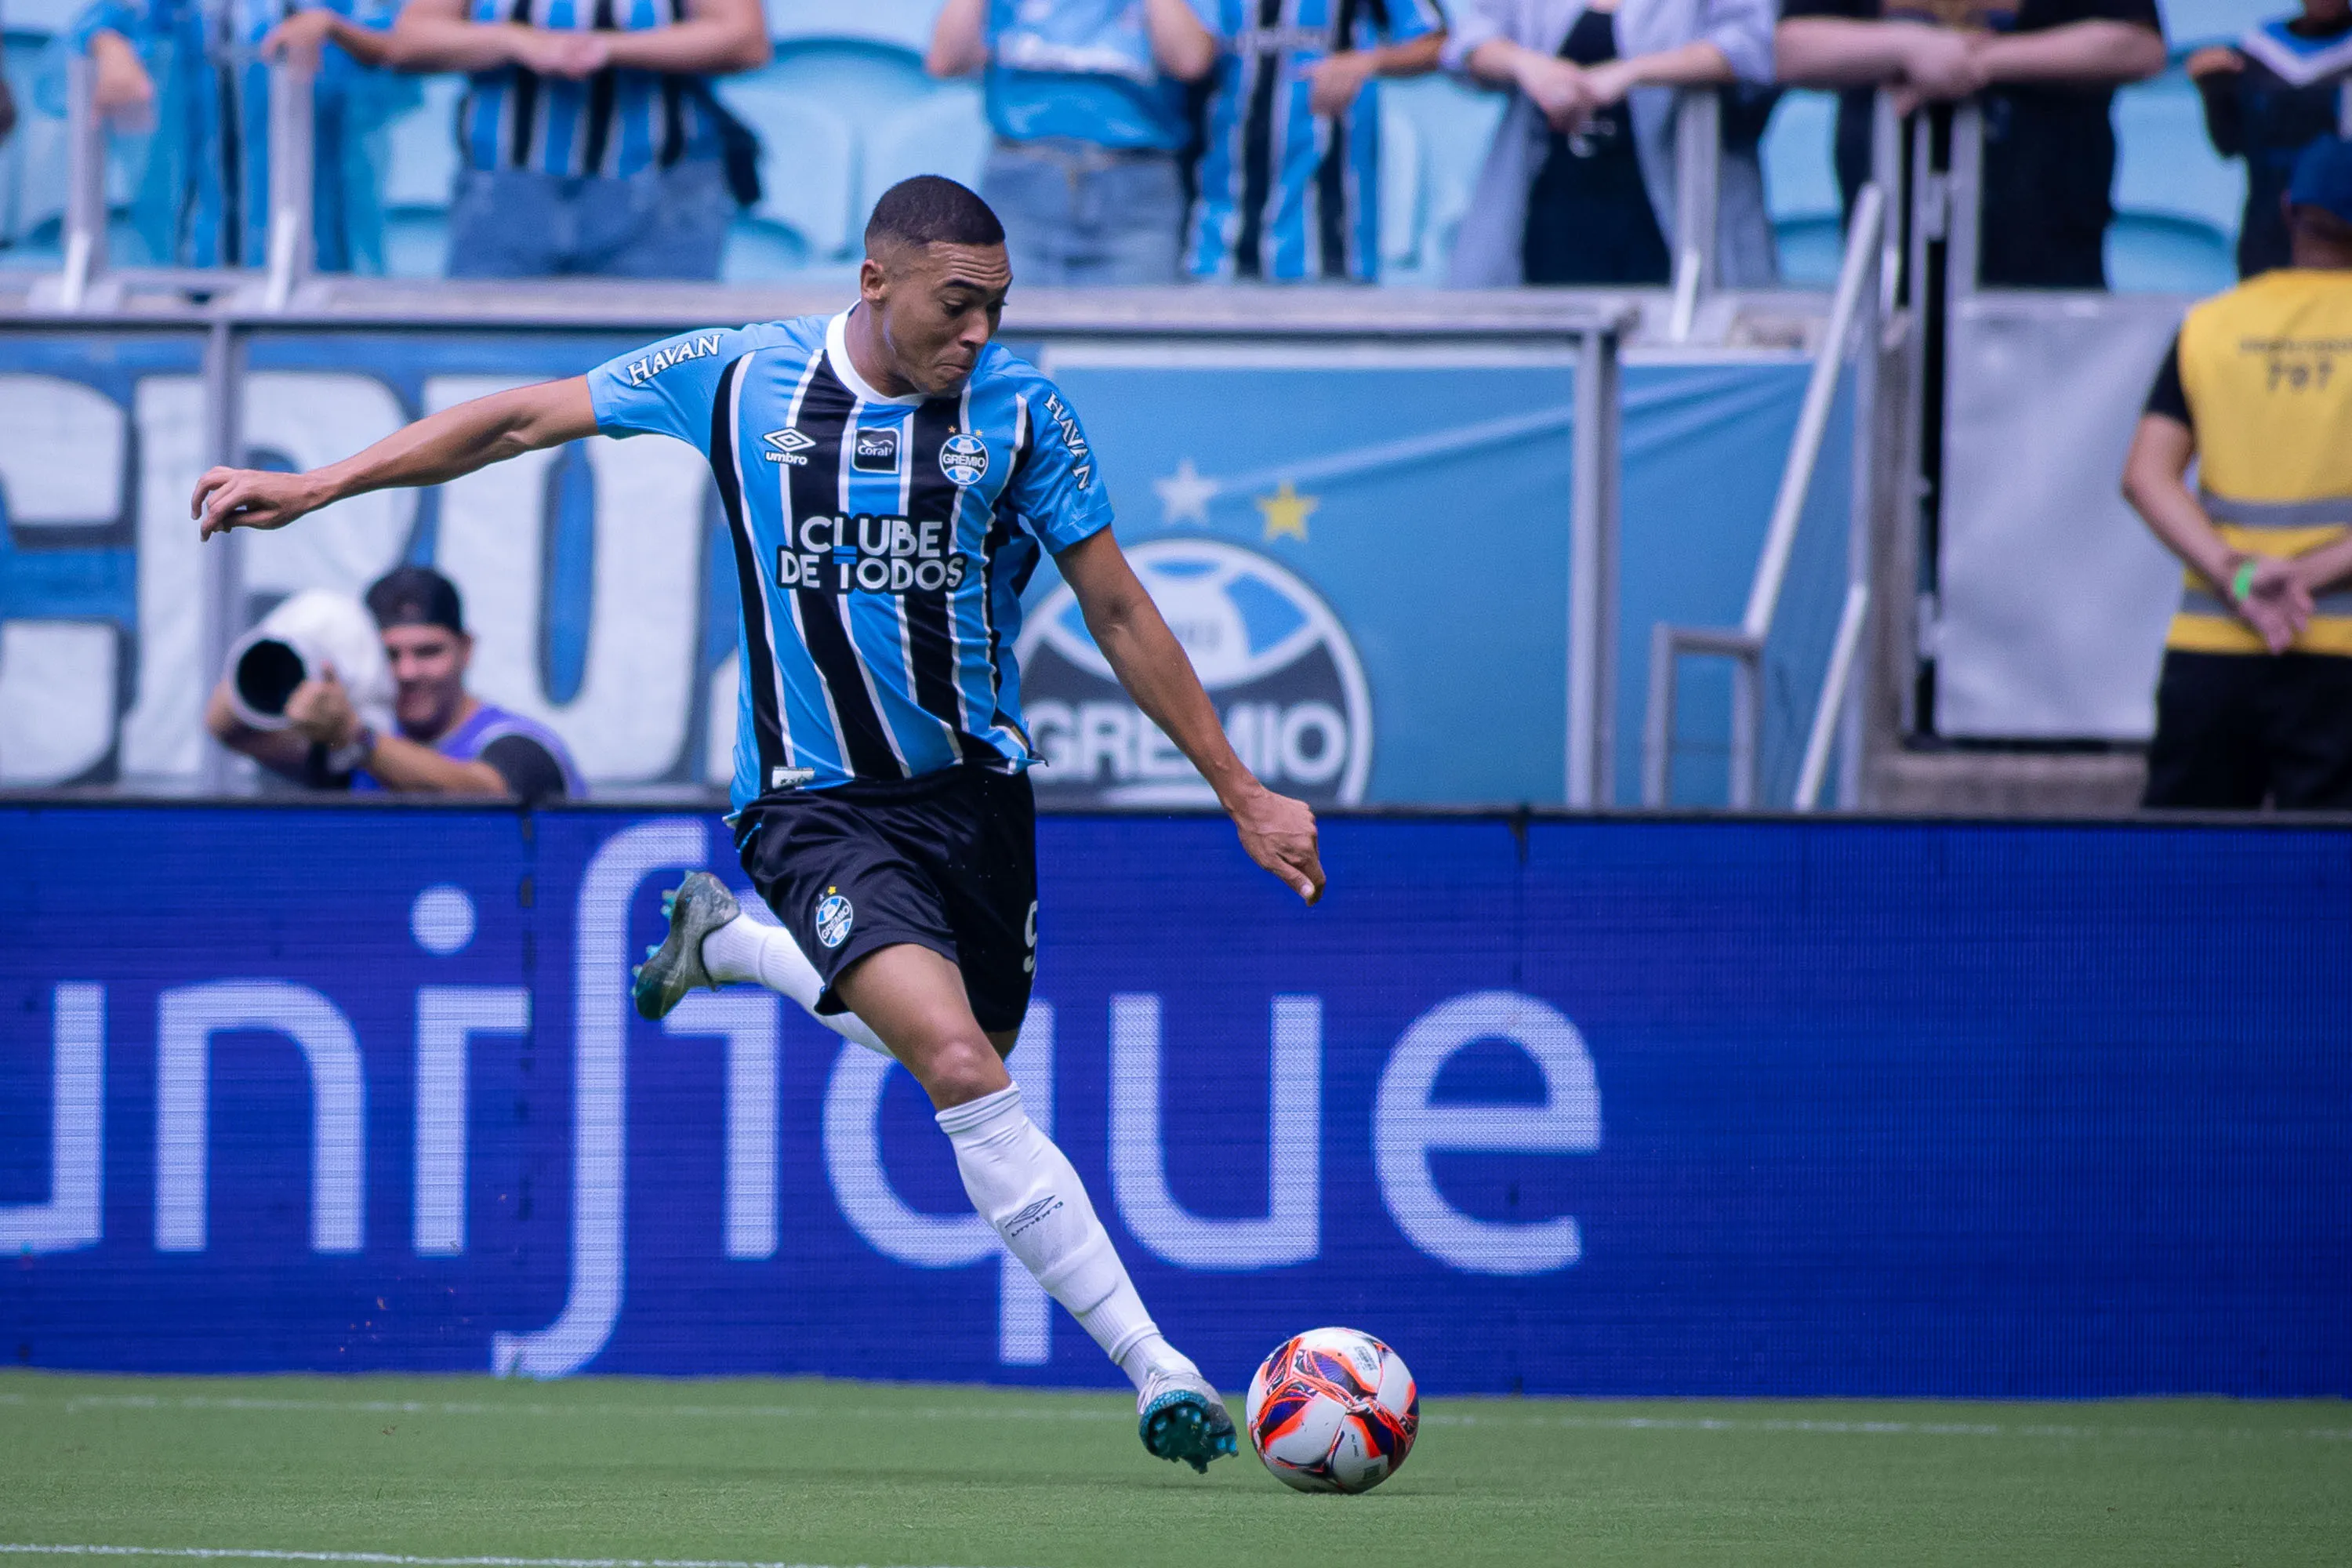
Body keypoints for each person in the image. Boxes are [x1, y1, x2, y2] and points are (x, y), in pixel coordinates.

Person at [186, 176, 1326, 1470]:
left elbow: (1119, 612)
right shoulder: (740, 377)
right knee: (962, 1066)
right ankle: (1157, 1368)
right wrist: (321, 484)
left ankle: (728, 947)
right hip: (811, 803)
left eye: (999, 310)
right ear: (874, 281)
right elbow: (516, 421)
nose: (981, 337)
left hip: (976, 798)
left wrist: (1239, 784)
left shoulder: (1023, 416)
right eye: (959, 307)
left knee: (970, 1042)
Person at [2120, 137, 2352, 810]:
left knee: (2187, 889)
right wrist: (2305, 577)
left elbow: (2145, 476)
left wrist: (2239, 574)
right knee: (2331, 892)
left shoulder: (2212, 326)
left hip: (2216, 644)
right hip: (2339, 653)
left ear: (2287, 212)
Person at [1774, 0, 2166, 290]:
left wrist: (1981, 62)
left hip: (2044, 246)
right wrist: (1910, 47)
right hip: (1889, 252)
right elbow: (1789, 47)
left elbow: (2137, 43)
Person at [390, 0, 768, 280]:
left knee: (652, 363)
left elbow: (745, 41)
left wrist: (606, 49)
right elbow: (409, 41)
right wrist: (516, 41)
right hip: (504, 190)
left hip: (659, 189)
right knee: (492, 363)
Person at [1444, 0, 1780, 289]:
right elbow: (1467, 42)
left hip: (1675, 209)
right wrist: (1528, 66)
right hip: (1556, 208)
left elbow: (1753, 46)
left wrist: (1631, 73)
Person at [68, 0, 412, 270]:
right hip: (205, 239)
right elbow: (106, 21)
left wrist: (334, 28)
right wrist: (110, 48)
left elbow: (400, 45)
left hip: (321, 239)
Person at [204, 564, 582, 802]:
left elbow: (486, 800)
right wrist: (285, 638)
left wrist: (355, 737)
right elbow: (228, 727)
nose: (408, 673)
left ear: (466, 649)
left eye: (429, 652)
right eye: (390, 655)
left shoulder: (521, 747)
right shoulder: (350, 749)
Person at [927, 0, 1218, 285]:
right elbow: (947, 59)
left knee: (1138, 326)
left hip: (1136, 189)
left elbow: (1190, 60)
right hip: (1021, 185)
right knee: (1000, 327)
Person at [1183, 0, 1446, 284]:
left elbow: (1438, 42)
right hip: (1219, 244)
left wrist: (1368, 62)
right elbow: (1186, 59)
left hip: (1333, 247)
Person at [2187, 0, 2352, 279]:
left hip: (2337, 229)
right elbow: (2230, 145)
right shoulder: (2260, 48)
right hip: (2266, 228)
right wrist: (2214, 91)